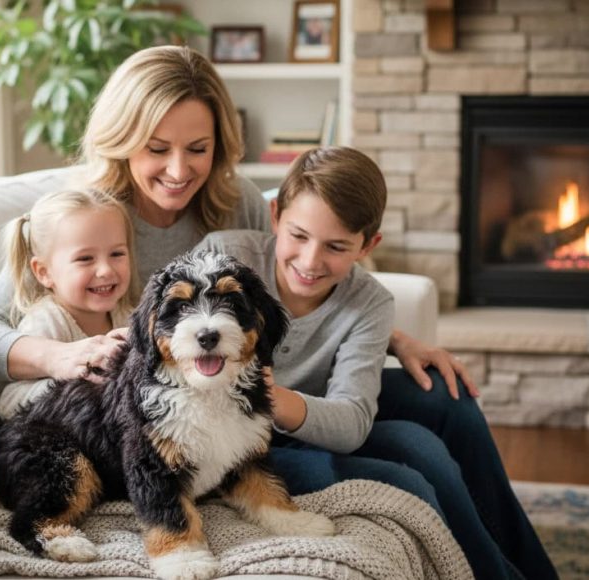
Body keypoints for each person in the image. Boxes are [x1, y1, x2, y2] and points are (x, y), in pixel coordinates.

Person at [0, 45, 551, 576]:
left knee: (451, 404)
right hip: (192, 410)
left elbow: (294, 272)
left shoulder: (232, 199)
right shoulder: (86, 218)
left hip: (263, 386)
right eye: (156, 148)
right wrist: (60, 355)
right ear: (122, 138)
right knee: (417, 455)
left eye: (199, 148)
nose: (178, 169)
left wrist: (393, 336)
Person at [196, 146, 556, 579]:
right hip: (236, 443)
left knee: (446, 396)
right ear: (275, 217)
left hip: (307, 416)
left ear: (369, 245)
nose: (310, 261)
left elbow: (350, 423)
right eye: (299, 235)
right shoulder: (221, 261)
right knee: (421, 453)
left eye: (336, 246)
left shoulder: (369, 302)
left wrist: (274, 396)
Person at [0, 188, 137, 504]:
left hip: (88, 451)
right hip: (27, 457)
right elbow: (10, 403)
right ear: (43, 272)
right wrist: (79, 387)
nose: (106, 270)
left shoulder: (126, 316)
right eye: (85, 258)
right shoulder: (46, 322)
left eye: (117, 254)